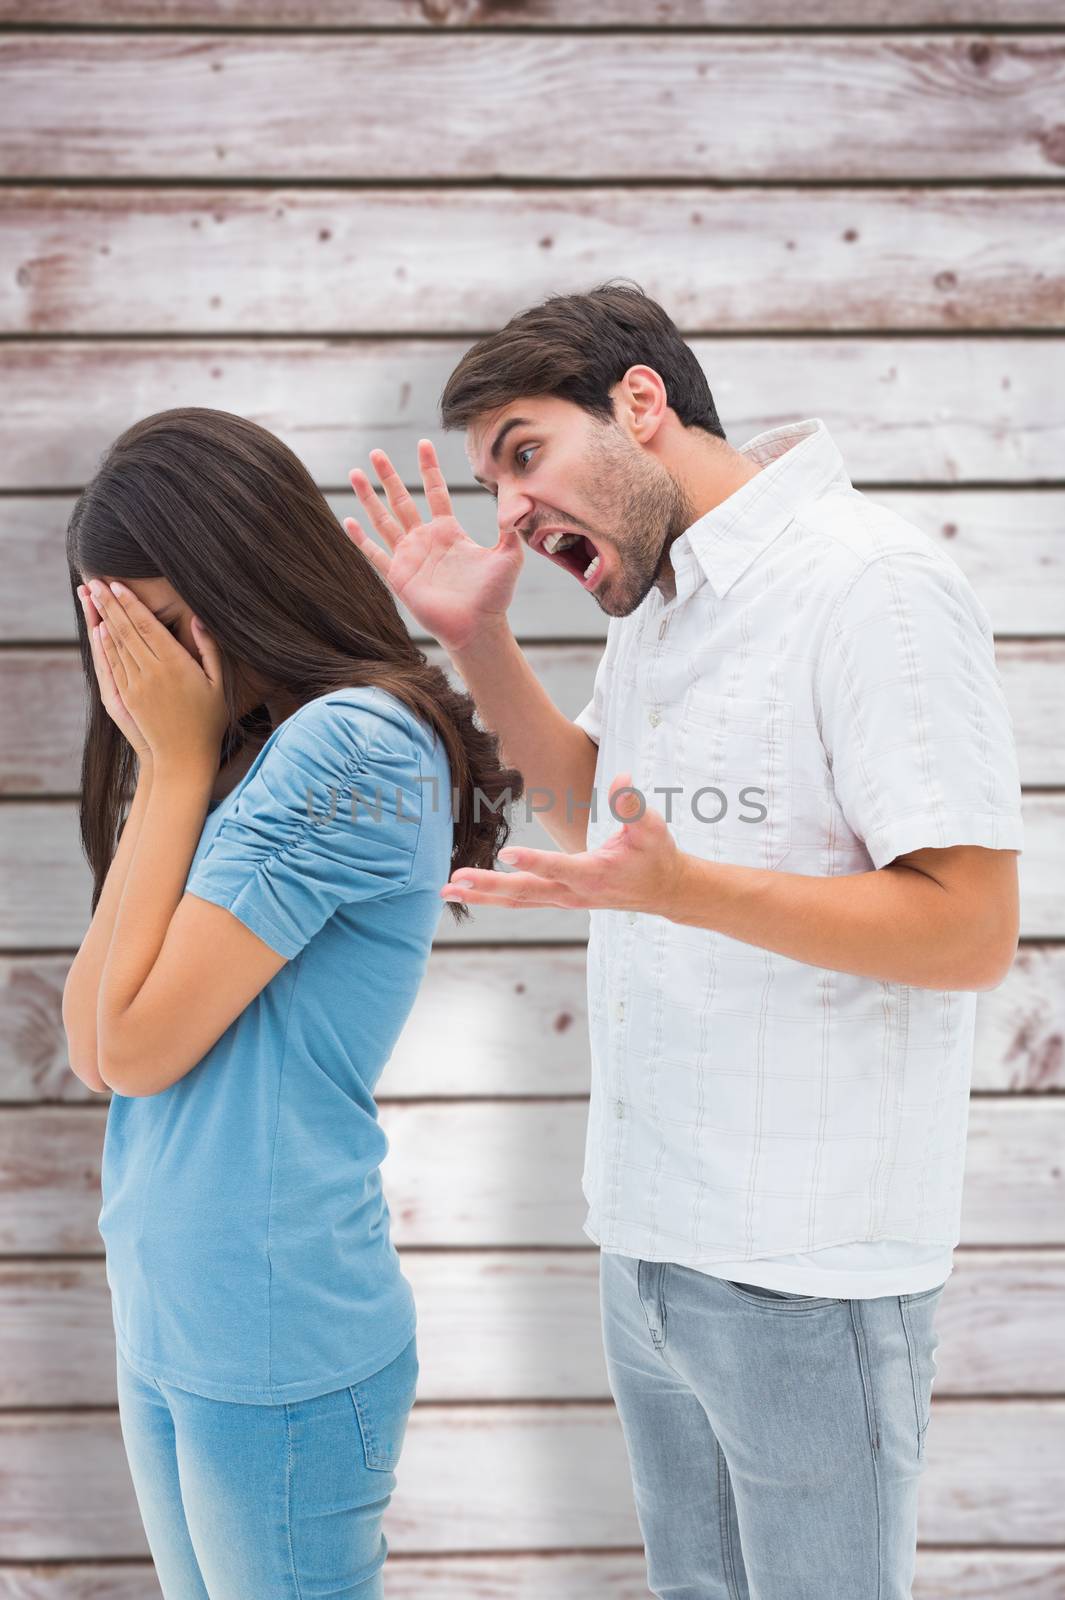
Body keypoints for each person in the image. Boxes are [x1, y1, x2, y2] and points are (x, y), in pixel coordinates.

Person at [343, 283, 1024, 1599]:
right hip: (653, 1241)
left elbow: (968, 928)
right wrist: (478, 638)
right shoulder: (668, 603)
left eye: (525, 453)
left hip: (807, 1275)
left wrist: (681, 889)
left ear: (640, 403)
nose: (514, 511)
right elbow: (592, 807)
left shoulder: (869, 584)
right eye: (494, 483)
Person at [61, 406, 521, 1600]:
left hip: (275, 1331)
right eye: (115, 637)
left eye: (160, 629)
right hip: (174, 1313)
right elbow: (95, 1050)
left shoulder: (356, 744)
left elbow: (144, 1042)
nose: (139, 672)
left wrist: (168, 766)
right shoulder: (235, 748)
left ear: (243, 576)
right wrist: (176, 765)